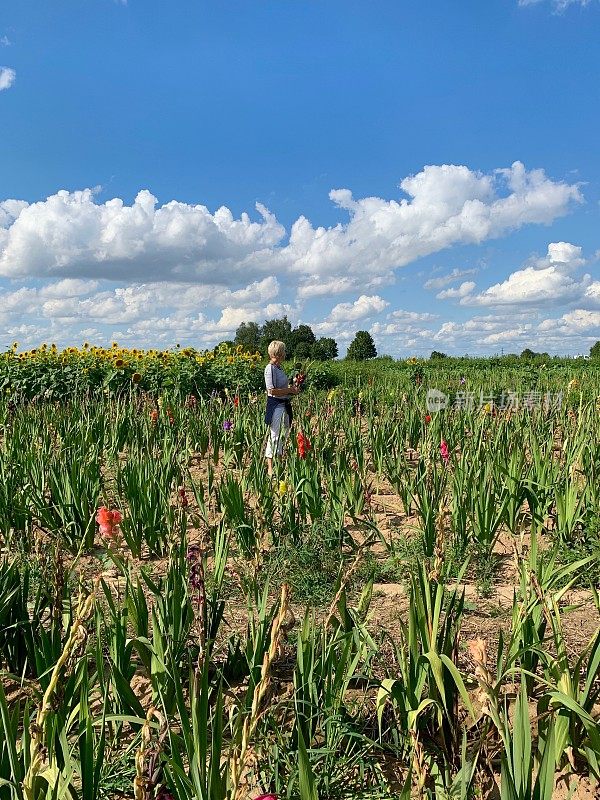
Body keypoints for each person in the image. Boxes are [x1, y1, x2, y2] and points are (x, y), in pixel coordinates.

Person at [264, 340, 298, 476]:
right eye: (283, 351)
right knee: (275, 435)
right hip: (275, 405)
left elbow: (282, 387)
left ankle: (280, 462)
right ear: (278, 353)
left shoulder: (279, 368)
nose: (285, 354)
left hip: (284, 404)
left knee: (285, 433)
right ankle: (270, 468)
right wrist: (289, 390)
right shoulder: (270, 369)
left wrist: (294, 384)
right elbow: (271, 390)